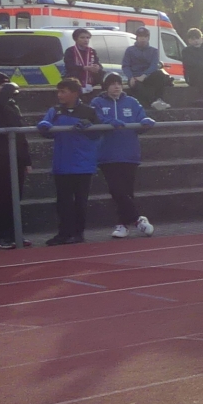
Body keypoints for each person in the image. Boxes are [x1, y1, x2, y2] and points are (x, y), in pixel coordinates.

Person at [90, 72, 157, 238]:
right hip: (107, 154)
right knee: (116, 190)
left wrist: (145, 123)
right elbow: (95, 119)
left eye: (119, 83)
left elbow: (141, 119)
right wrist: (108, 123)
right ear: (106, 86)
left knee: (127, 191)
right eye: (112, 83)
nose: (116, 86)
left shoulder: (132, 102)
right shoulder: (97, 102)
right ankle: (138, 219)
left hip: (130, 153)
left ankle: (122, 224)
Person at [36, 78, 98, 245]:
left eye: (63, 91)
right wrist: (43, 127)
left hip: (83, 164)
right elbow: (45, 129)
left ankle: (78, 233)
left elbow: (98, 134)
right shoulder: (55, 111)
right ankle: (63, 233)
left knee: (80, 202)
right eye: (59, 91)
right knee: (63, 202)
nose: (59, 95)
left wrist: (90, 127)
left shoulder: (89, 111)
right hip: (62, 163)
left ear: (75, 93)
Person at [0, 73, 30, 249]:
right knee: (2, 197)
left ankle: (16, 233)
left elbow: (21, 133)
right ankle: (3, 236)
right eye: (2, 86)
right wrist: (6, 90)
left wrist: (26, 159)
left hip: (16, 155)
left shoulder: (12, 105)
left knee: (16, 196)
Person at [62, 27, 104, 92]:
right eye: (82, 38)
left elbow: (98, 64)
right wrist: (85, 68)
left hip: (91, 84)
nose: (86, 40)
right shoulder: (70, 51)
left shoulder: (92, 51)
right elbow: (69, 66)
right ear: (75, 39)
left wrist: (97, 67)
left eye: (87, 38)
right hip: (74, 84)